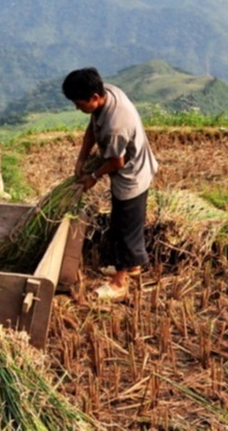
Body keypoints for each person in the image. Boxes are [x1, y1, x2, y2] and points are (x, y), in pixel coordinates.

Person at [62, 67, 159, 301]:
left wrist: (92, 178)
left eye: (79, 103)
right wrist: (82, 159)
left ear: (94, 98)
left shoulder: (116, 125)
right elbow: (92, 129)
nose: (77, 108)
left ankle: (119, 282)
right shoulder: (108, 93)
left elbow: (117, 161)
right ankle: (131, 266)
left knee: (125, 228)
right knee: (122, 224)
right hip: (126, 170)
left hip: (131, 177)